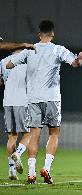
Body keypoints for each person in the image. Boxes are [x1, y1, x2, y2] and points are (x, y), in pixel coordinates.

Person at [6, 19, 82, 184]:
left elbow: (9, 64)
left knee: (34, 135)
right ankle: (46, 169)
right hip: (52, 98)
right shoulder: (58, 49)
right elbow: (76, 63)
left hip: (33, 99)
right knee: (54, 133)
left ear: (39, 34)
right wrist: (81, 57)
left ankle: (31, 174)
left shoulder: (30, 50)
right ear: (53, 34)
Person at [0, 49, 30, 180]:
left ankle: (12, 171)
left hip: (7, 101)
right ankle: (18, 153)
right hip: (22, 101)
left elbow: (1, 81)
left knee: (12, 137)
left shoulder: (3, 61)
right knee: (27, 134)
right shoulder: (25, 62)